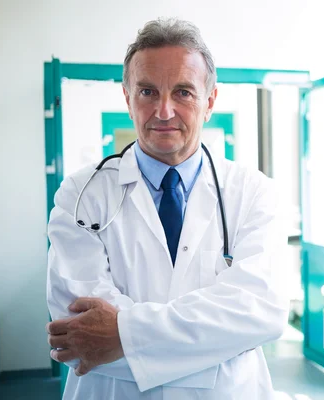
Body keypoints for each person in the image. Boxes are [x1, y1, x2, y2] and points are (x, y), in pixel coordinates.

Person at [45, 18, 288, 400]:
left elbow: (262, 310)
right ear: (127, 99)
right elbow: (79, 323)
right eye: (147, 92)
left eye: (183, 93)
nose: (163, 111)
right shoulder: (81, 193)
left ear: (209, 102)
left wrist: (121, 335)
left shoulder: (253, 192)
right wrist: (211, 339)